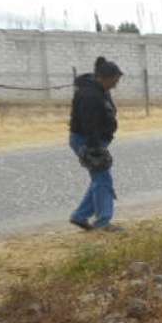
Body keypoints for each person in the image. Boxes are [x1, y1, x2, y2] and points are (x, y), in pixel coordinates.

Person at [69, 56, 123, 232]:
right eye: (114, 81)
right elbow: (88, 124)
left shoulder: (99, 89)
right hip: (87, 141)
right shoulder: (89, 95)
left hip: (95, 140)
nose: (115, 85)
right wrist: (95, 150)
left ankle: (80, 216)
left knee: (99, 179)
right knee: (103, 180)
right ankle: (103, 223)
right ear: (103, 77)